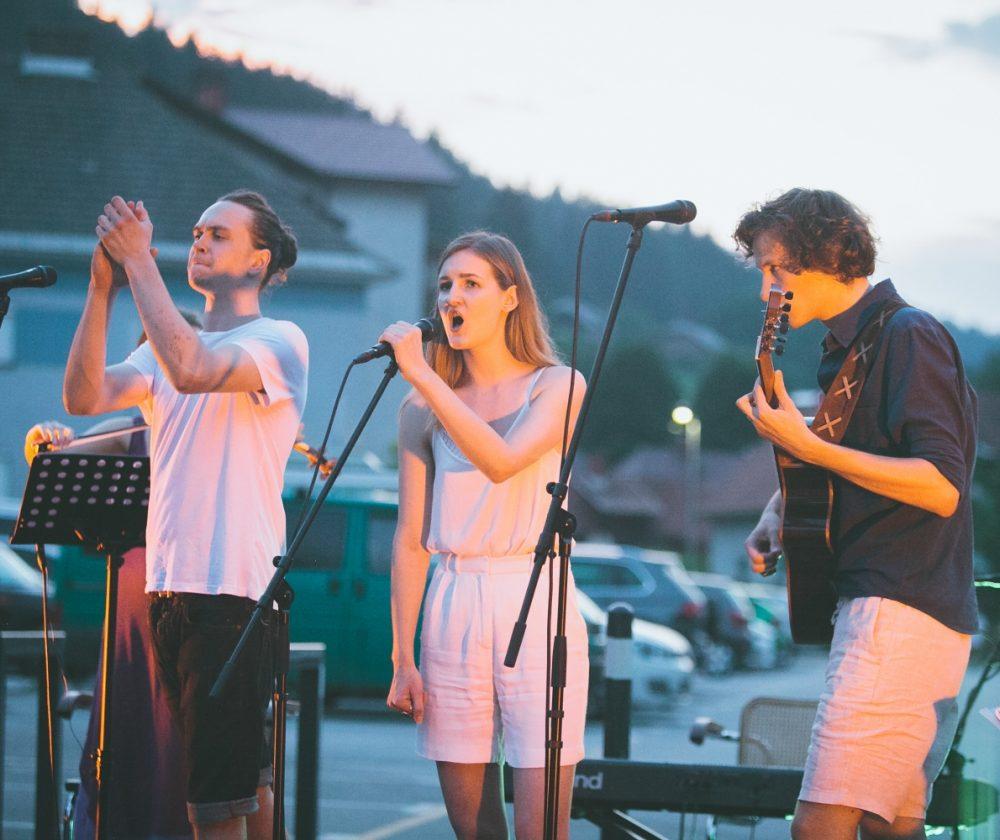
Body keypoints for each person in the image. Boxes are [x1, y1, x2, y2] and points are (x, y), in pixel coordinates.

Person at [734, 188, 978, 840]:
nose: (765, 289)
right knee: (889, 826)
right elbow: (855, 459)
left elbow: (941, 486)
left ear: (827, 255)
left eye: (775, 268)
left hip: (898, 608)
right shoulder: (855, 347)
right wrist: (781, 507)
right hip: (908, 608)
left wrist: (808, 446)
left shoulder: (908, 335)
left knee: (819, 825)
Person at [63, 191, 308, 840]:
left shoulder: (278, 340)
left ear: (258, 261)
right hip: (170, 590)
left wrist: (139, 262)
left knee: (213, 803)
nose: (199, 240)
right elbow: (84, 396)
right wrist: (102, 288)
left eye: (219, 234)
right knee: (242, 783)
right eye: (197, 231)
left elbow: (195, 369)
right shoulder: (165, 349)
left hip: (230, 592)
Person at [383, 231, 588, 840]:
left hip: (533, 591)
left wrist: (424, 376)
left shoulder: (556, 384)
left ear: (510, 298)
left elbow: (503, 461)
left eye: (471, 284)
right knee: (472, 826)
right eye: (445, 285)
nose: (452, 297)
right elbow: (411, 539)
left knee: (540, 827)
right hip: (453, 596)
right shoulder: (420, 408)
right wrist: (402, 657)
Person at [24, 310, 202, 840]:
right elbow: (52, 455)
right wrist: (43, 440)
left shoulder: (213, 427)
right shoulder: (131, 432)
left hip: (192, 585)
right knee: (129, 710)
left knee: (179, 721)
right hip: (135, 586)